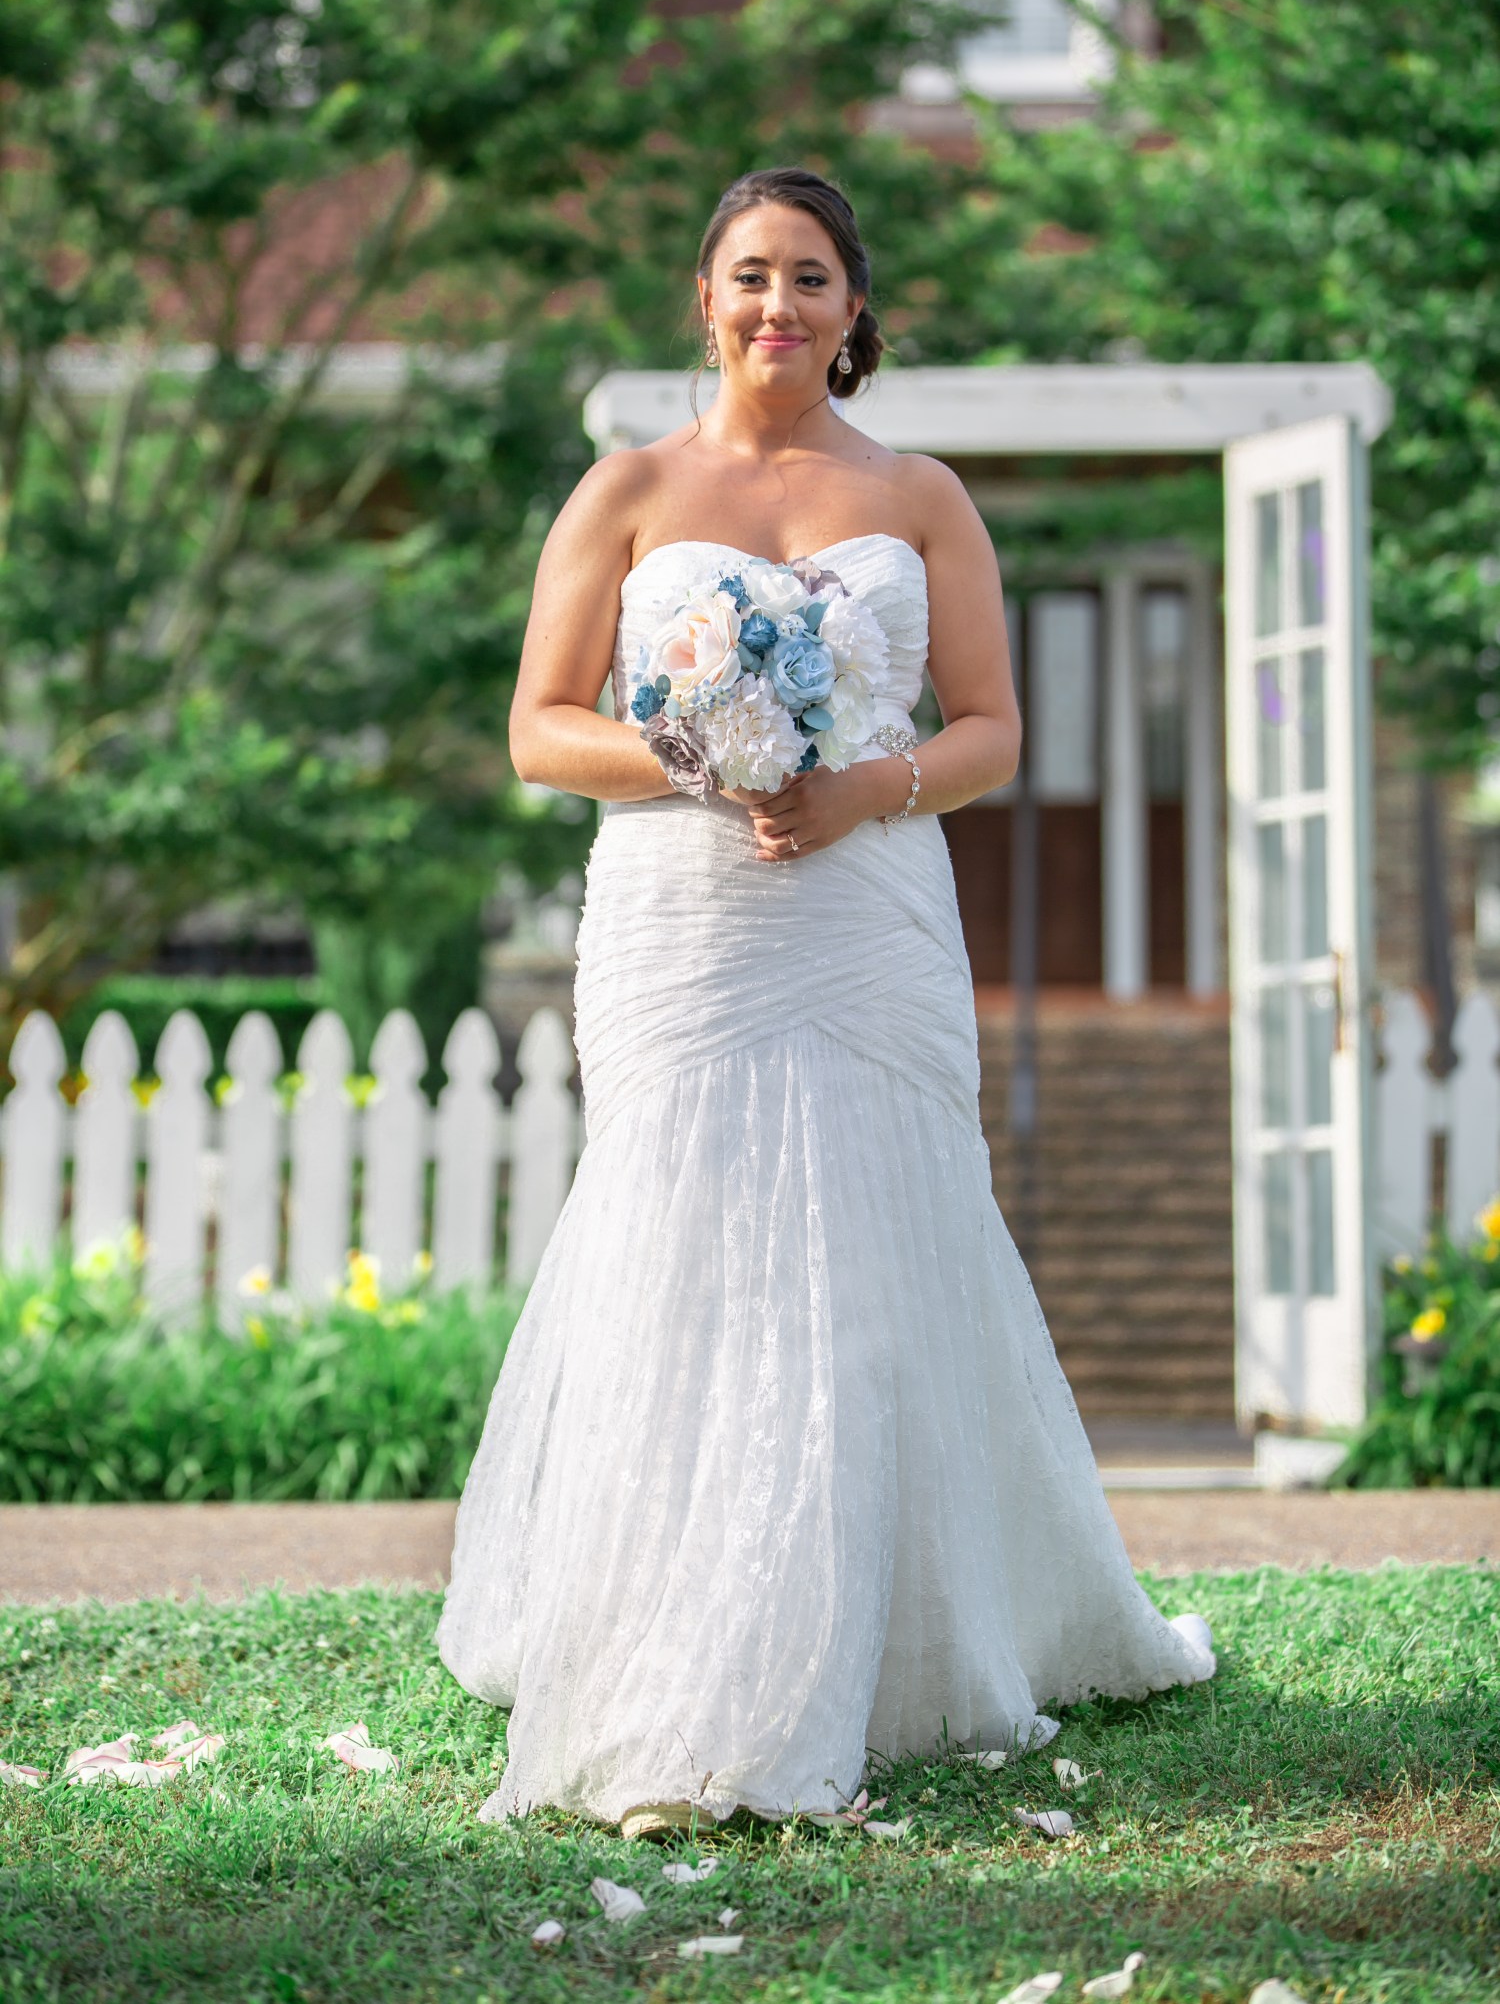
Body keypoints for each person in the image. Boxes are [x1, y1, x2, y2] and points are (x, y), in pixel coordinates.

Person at [436, 166, 1214, 1834]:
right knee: (681, 1239)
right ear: (701, 300)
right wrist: (697, 748)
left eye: (809, 279)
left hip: (867, 910)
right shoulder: (630, 486)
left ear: (857, 309)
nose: (776, 308)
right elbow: (536, 728)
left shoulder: (923, 495)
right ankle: (664, 1649)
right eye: (748, 277)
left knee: (877, 1248)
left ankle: (898, 1640)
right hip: (682, 920)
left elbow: (995, 727)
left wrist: (871, 788)